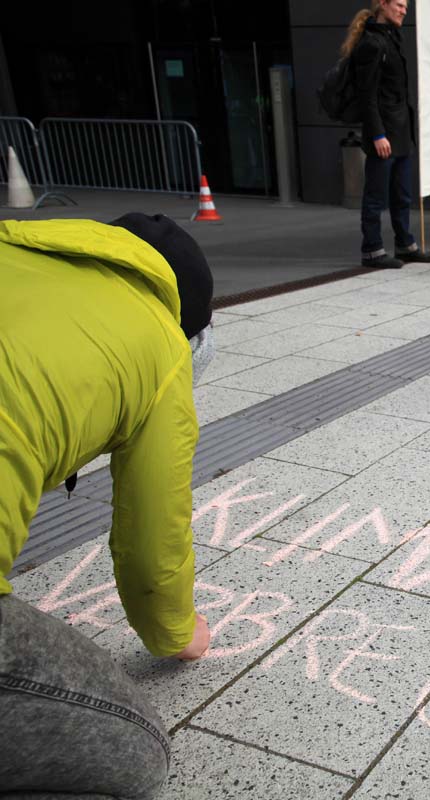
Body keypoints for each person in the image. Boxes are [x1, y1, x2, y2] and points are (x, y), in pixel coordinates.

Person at [1, 214, 215, 796]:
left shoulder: (17, 249)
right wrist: (177, 633)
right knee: (135, 749)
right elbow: (152, 536)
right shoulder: (161, 343)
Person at [345, 0, 430, 269]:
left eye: (405, 6)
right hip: (384, 135)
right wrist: (377, 135)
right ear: (382, 5)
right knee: (376, 195)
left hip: (400, 132)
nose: (404, 10)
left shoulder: (393, 37)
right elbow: (367, 96)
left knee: (402, 194)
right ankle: (372, 250)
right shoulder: (371, 44)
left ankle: (405, 245)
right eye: (398, 5)